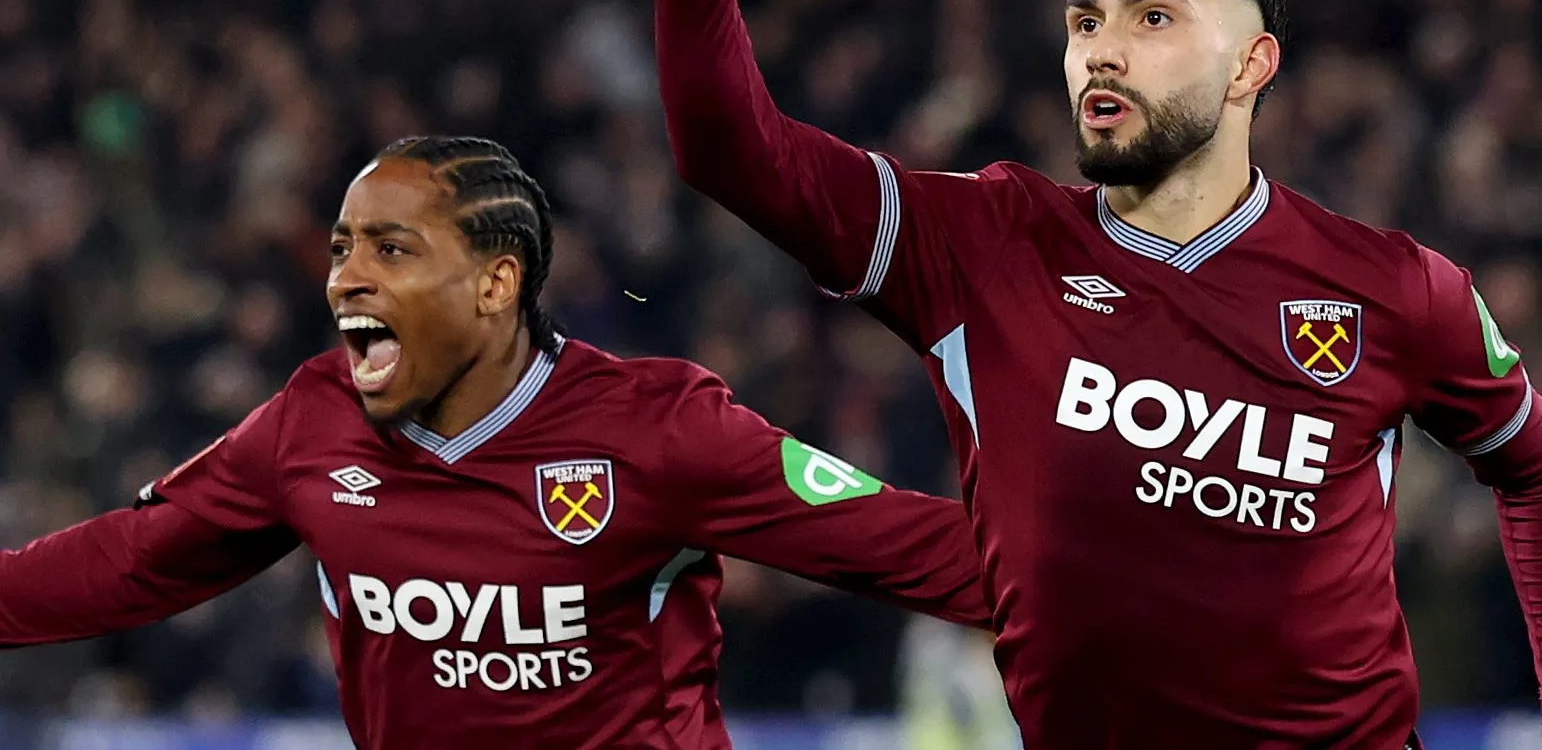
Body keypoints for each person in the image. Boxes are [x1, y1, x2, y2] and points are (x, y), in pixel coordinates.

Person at [627, 0, 1542, 750]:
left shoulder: (1394, 289)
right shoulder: (980, 241)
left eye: (1151, 16)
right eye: (1083, 21)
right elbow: (734, 153)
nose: (1100, 49)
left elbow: (1539, 466)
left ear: (1249, 66)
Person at [0, 136, 990, 749]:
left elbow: (920, 548)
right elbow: (128, 560)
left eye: (390, 249)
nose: (346, 276)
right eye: (344, 247)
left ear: (495, 283)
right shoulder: (313, 421)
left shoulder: (657, 430)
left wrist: (1133, 576)